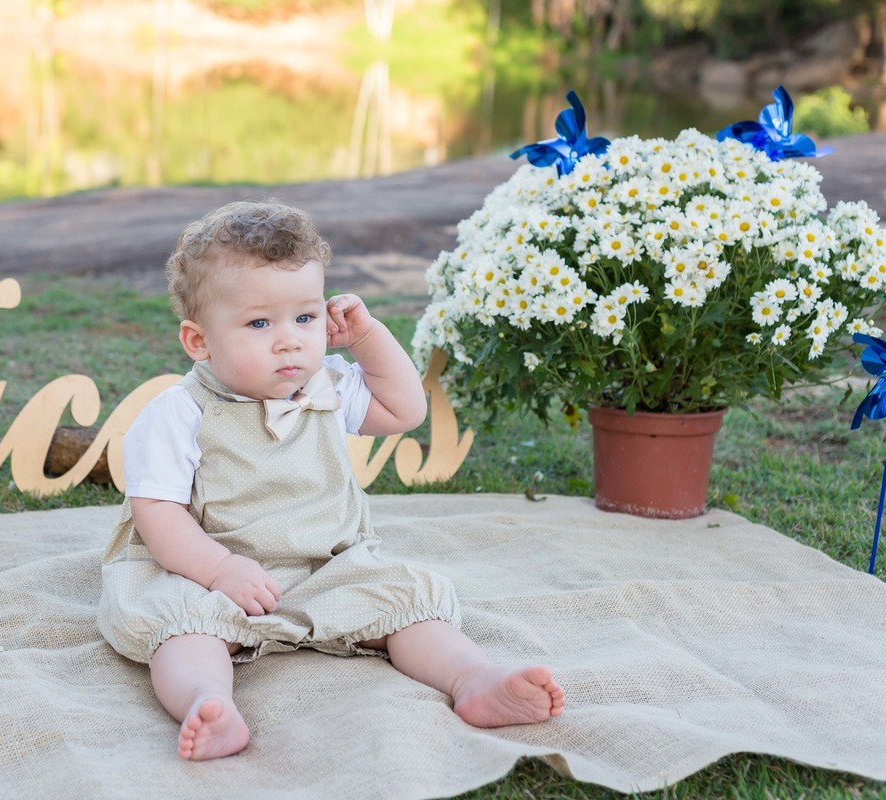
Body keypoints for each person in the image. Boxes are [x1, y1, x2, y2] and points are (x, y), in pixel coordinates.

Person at [98, 200, 564, 761]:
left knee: (407, 600)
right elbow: (158, 512)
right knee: (180, 628)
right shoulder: (179, 412)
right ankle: (209, 701)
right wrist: (218, 569)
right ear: (199, 341)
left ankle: (475, 680)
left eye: (306, 317)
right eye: (259, 323)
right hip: (209, 571)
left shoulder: (327, 385)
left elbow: (405, 409)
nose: (290, 340)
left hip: (325, 565)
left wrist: (367, 339)